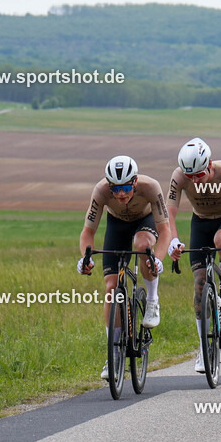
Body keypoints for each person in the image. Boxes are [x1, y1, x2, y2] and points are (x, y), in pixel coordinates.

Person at [78, 155, 171, 380]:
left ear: (135, 182)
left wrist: (158, 259)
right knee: (111, 287)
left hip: (145, 222)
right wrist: (85, 258)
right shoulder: (101, 191)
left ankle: (152, 300)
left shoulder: (151, 187)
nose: (121, 194)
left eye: (126, 188)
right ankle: (114, 353)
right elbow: (88, 232)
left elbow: (165, 229)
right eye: (116, 189)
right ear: (109, 185)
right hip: (117, 225)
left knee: (142, 246)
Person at [165, 138, 221, 373]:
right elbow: (169, 212)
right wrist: (173, 240)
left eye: (199, 175)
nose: (194, 181)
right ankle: (204, 348)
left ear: (209, 164)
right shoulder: (179, 176)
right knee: (200, 285)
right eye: (189, 176)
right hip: (200, 222)